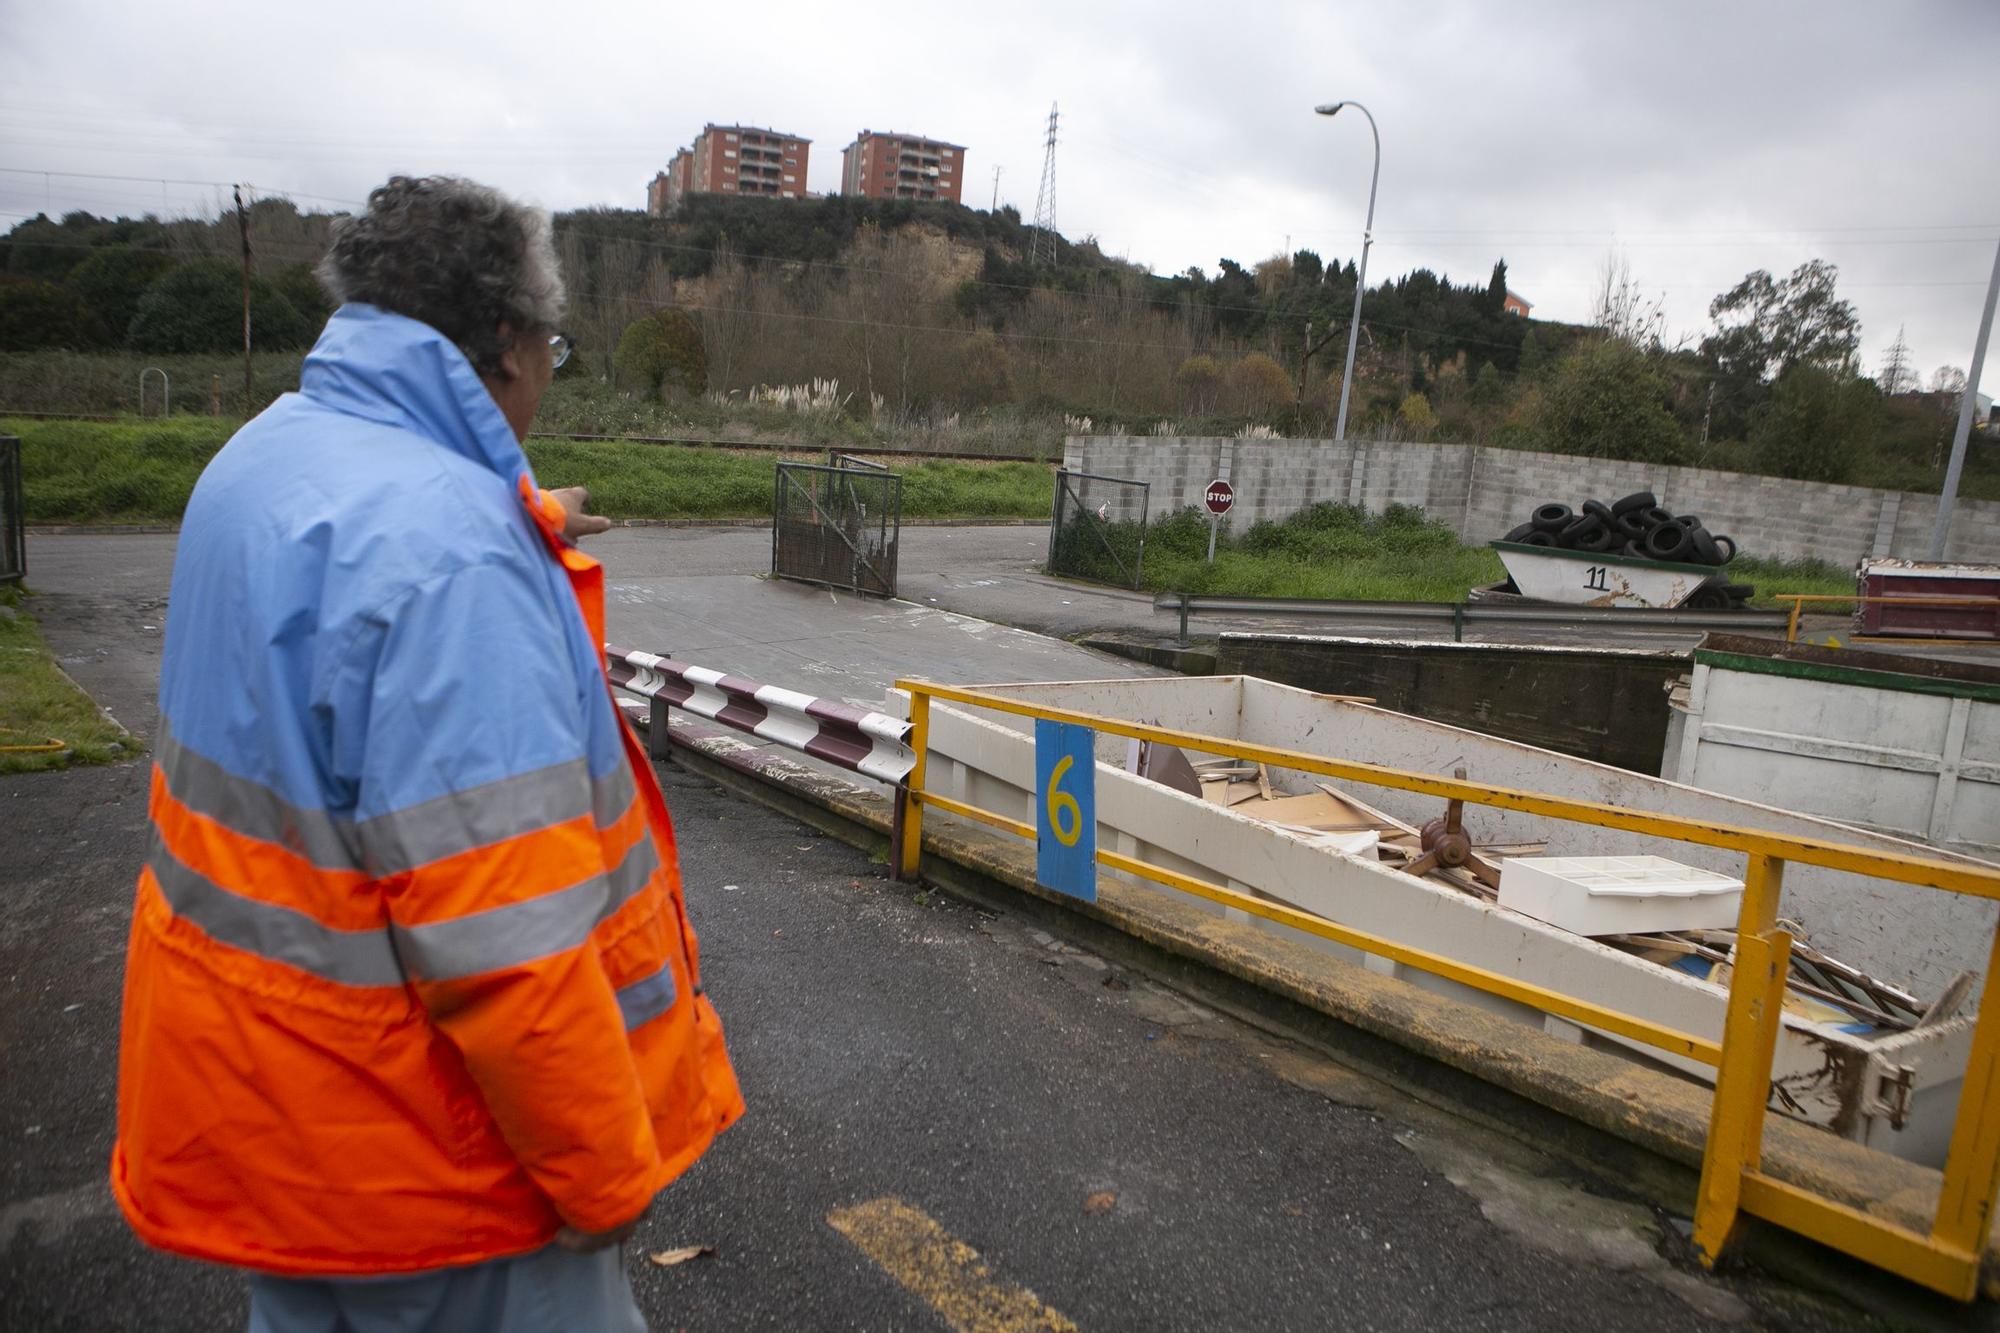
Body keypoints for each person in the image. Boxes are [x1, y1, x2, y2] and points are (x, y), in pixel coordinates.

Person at [111, 175, 743, 1332]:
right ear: (506, 341)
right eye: (554, 348)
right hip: (444, 1184)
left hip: (293, 1131)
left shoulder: (262, 460)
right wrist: (606, 1177)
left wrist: (512, 513)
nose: (549, 375)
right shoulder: (452, 560)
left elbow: (354, 588)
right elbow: (507, 941)